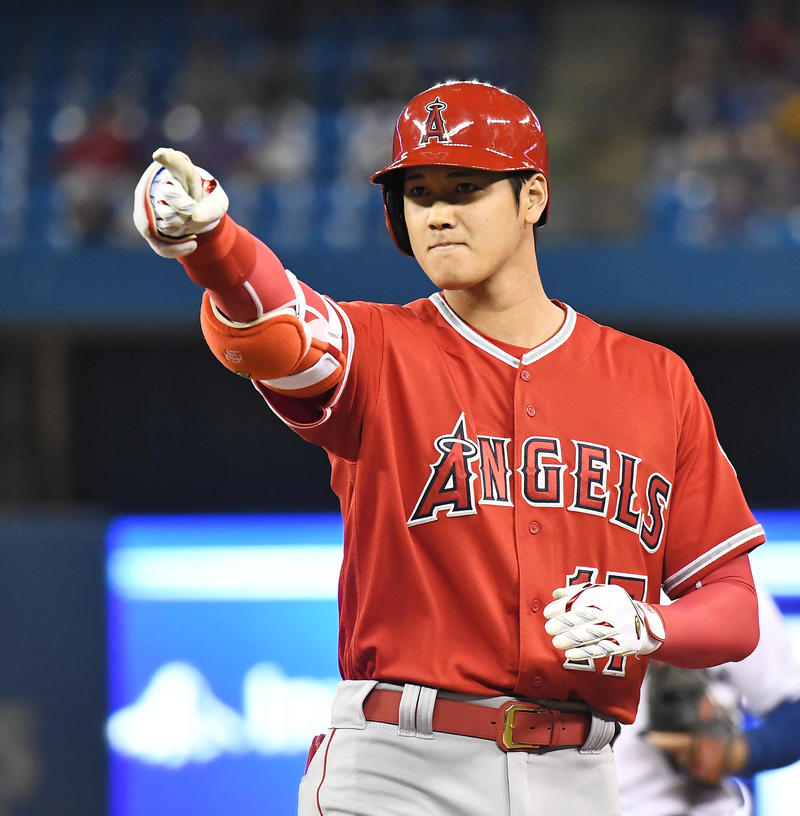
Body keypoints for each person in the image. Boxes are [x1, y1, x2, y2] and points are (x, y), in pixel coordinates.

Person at [132, 81, 766, 815]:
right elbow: (281, 328)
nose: (436, 213)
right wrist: (216, 248)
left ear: (532, 197)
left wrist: (647, 621)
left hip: (583, 777)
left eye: (465, 188)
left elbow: (734, 608)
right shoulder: (377, 348)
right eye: (417, 192)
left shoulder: (655, 380)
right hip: (400, 766)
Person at [616, 584, 800, 816]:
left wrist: (739, 752)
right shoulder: (567, 576)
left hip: (687, 807)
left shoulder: (727, 586)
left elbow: (792, 707)